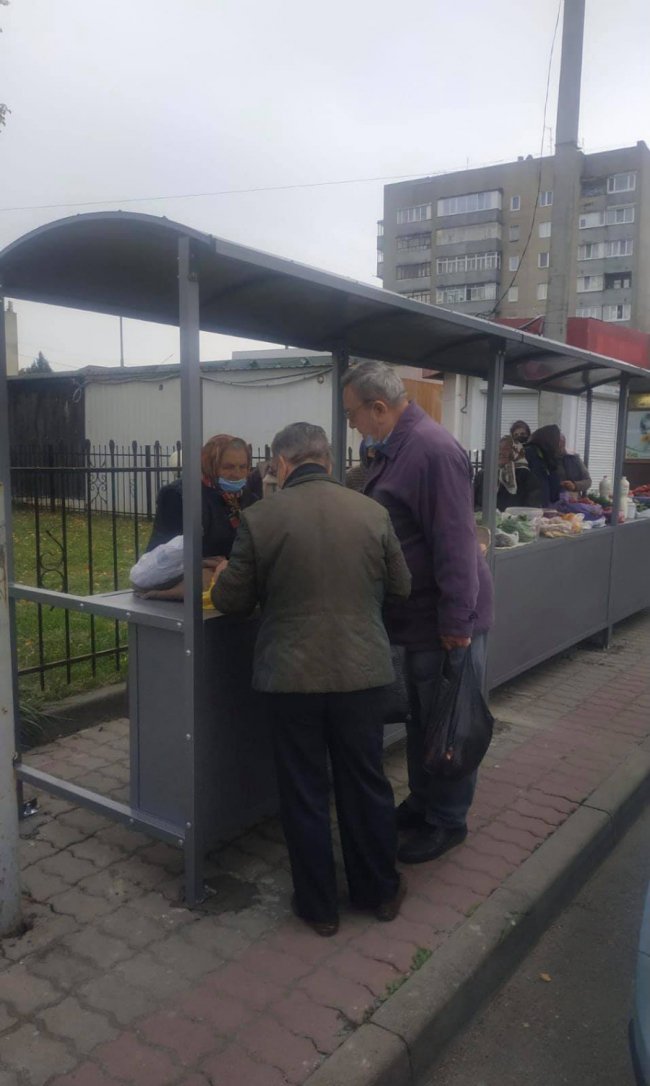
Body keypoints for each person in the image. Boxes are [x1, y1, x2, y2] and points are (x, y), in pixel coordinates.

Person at [211, 422, 411, 935]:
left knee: (303, 790)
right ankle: (379, 892)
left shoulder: (260, 517)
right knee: (365, 784)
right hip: (361, 673)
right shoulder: (371, 511)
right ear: (326, 458)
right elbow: (401, 586)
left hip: (290, 677)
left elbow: (231, 600)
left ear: (280, 463)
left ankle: (319, 907)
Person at [341, 361, 494, 865]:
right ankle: (424, 802)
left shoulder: (431, 451)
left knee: (447, 720)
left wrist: (457, 626)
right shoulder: (389, 449)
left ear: (378, 407)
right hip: (413, 619)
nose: (353, 425)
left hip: (443, 620)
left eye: (353, 415)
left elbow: (455, 545)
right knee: (420, 716)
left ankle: (448, 820)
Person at [145, 434, 258, 557]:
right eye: (228, 467)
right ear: (209, 466)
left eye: (243, 467)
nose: (237, 474)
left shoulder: (247, 497)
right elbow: (163, 554)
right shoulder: (179, 496)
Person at [523, 424, 562, 507]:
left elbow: (554, 493)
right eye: (558, 440)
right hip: (529, 508)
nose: (559, 444)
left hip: (541, 507)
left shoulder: (546, 456)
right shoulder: (530, 453)